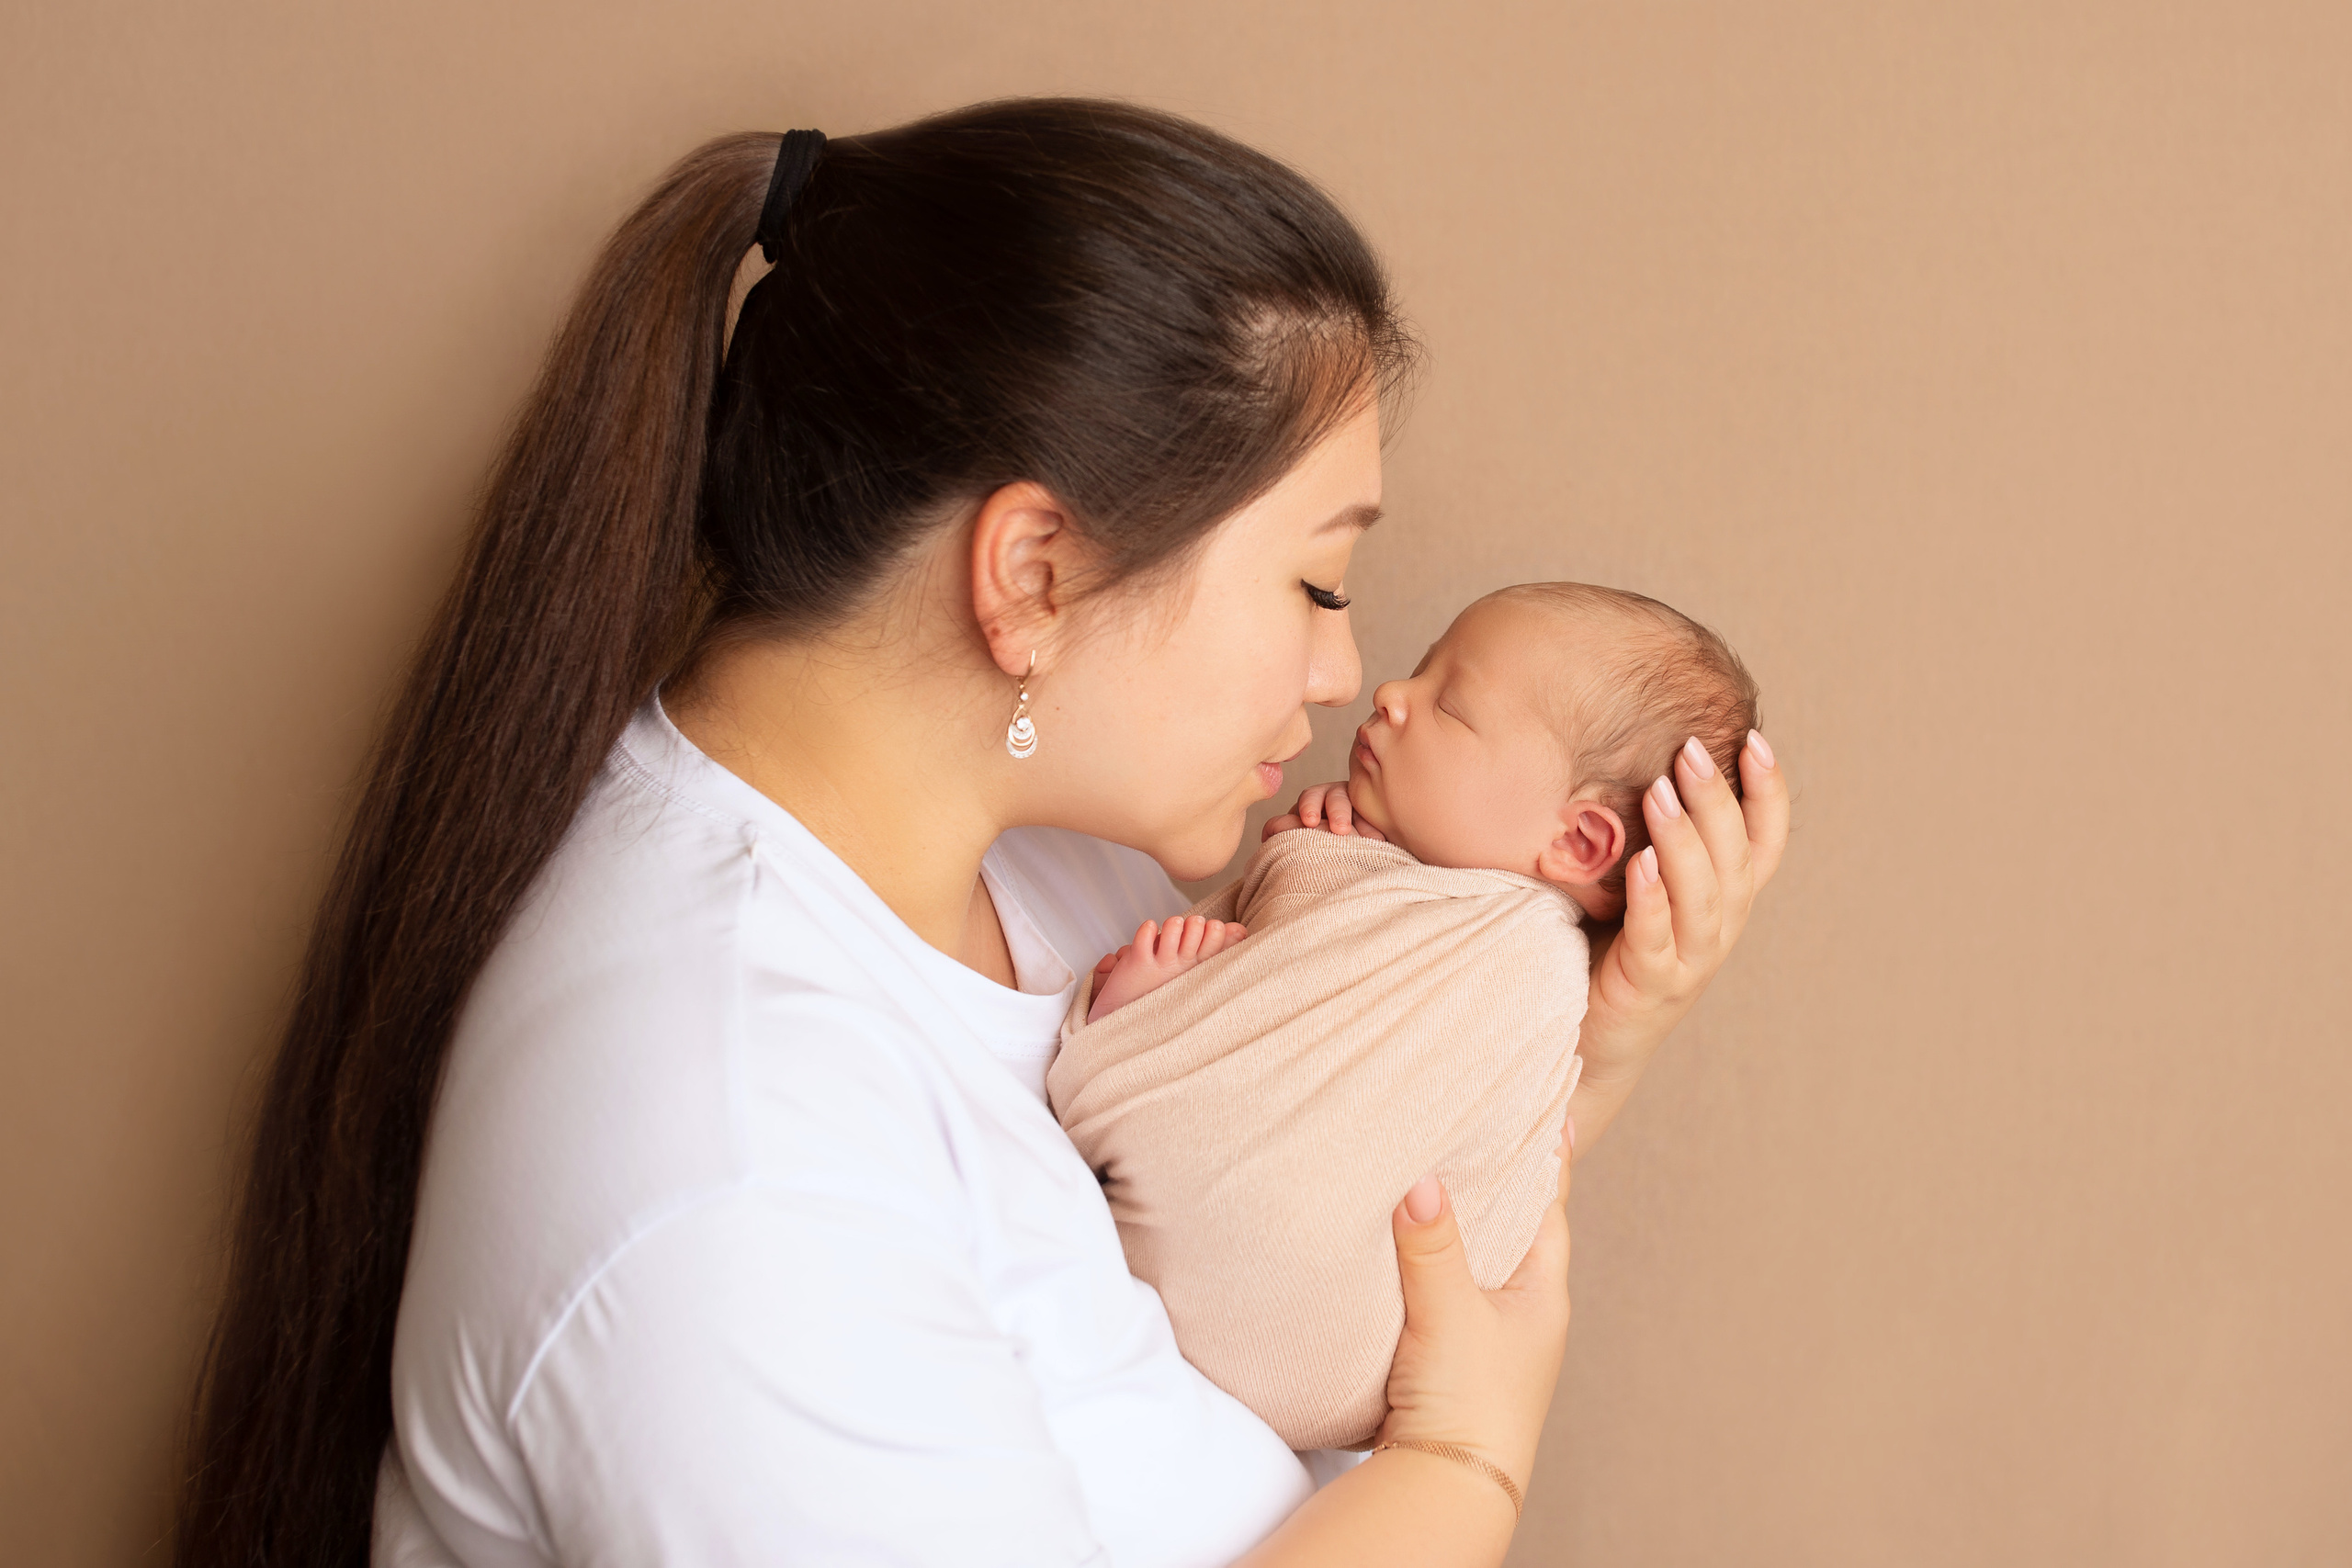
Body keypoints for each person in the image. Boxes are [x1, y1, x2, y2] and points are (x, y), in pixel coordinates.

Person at [175, 100, 1788, 1568]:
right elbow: (1408, 1382)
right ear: (1032, 575)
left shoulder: (1050, 866)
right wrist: (1463, 1466)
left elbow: (1320, 1233)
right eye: (1314, 581)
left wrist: (1596, 1031)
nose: (1341, 670)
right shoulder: (726, 1158)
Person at [1051, 582, 1761, 1450]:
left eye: (1448, 706)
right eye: (1421, 669)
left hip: (1287, 1288)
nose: (1391, 693)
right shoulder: (1406, 879)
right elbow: (1309, 980)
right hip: (1317, 1390)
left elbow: (1471, 1146)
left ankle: (1143, 1032)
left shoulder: (1528, 969)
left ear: (1578, 842)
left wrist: (1312, 869)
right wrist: (1322, 862)